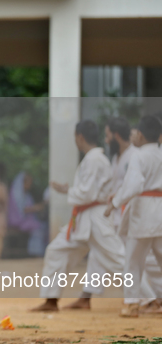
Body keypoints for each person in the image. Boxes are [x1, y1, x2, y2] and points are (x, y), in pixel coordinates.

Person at [30, 120, 125, 312]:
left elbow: (87, 194)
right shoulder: (93, 159)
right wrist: (69, 190)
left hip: (95, 217)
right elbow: (86, 191)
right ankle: (51, 299)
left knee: (118, 260)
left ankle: (151, 297)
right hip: (84, 218)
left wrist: (68, 191)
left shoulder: (94, 159)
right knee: (57, 250)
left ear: (79, 137)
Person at [105, 115, 162, 317]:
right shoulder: (160, 154)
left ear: (140, 134)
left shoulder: (138, 155)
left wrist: (114, 203)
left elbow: (134, 185)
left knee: (133, 261)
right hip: (160, 210)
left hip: (144, 212)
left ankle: (132, 303)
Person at [7, 171, 47, 257]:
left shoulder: (26, 194)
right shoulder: (16, 194)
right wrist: (37, 207)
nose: (30, 184)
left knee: (42, 226)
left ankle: (37, 251)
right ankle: (35, 252)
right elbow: (23, 210)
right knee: (39, 227)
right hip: (17, 221)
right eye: (29, 182)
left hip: (26, 220)